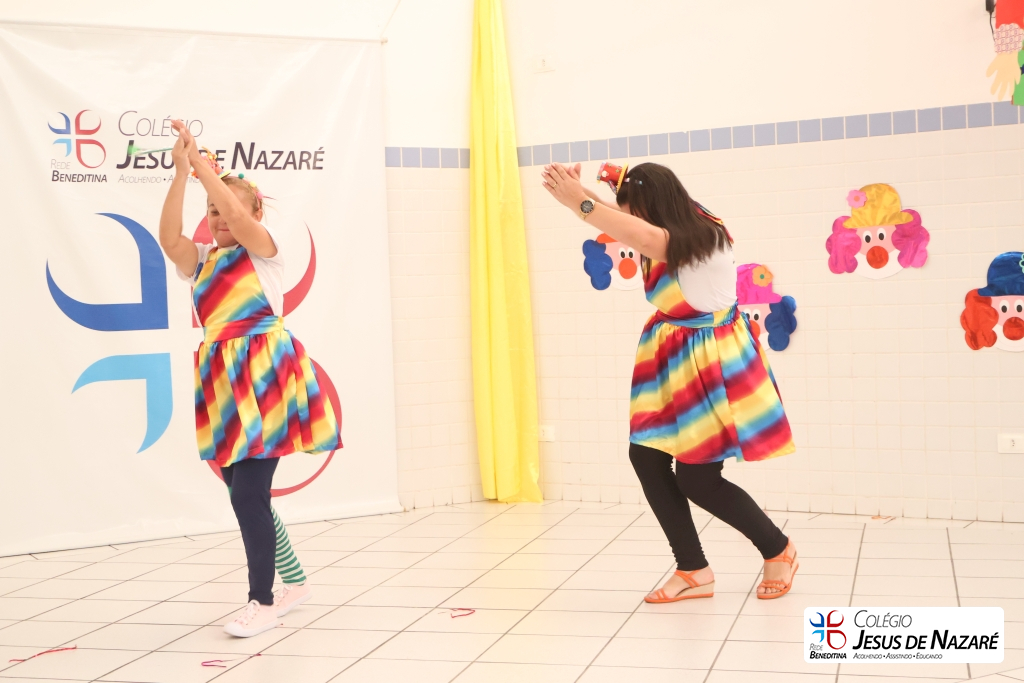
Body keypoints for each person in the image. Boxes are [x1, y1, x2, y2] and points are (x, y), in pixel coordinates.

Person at [542, 161, 798, 601]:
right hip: (674, 355)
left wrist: (580, 204)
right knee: (646, 457)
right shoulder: (669, 222)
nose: (628, 221)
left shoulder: (700, 237)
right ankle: (693, 568)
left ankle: (778, 549)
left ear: (653, 207)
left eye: (632, 211)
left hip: (711, 361)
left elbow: (643, 237)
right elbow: (628, 225)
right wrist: (578, 196)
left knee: (698, 479)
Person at [159, 120, 341, 636]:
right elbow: (169, 238)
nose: (219, 218)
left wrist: (203, 168)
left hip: (266, 380)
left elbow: (238, 217)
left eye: (226, 209)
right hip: (223, 385)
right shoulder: (202, 261)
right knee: (244, 491)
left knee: (247, 495)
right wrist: (181, 173)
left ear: (255, 213)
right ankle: (296, 582)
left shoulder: (266, 251)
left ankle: (262, 602)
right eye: (211, 211)